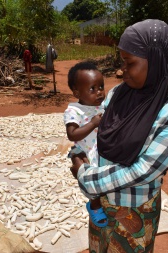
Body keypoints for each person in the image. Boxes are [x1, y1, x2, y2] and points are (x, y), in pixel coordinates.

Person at [70, 19, 168, 252]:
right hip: (100, 203)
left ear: (156, 59)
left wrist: (86, 178)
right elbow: (97, 139)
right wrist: (79, 154)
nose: (121, 71)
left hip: (135, 209)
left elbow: (144, 170)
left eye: (130, 63)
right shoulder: (119, 93)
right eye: (122, 62)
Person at [64, 61, 108, 228]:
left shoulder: (103, 106)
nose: (99, 92)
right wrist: (93, 124)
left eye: (101, 87)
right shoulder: (74, 111)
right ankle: (94, 206)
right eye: (92, 89)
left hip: (100, 149)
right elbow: (72, 134)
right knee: (90, 179)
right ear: (77, 92)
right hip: (84, 150)